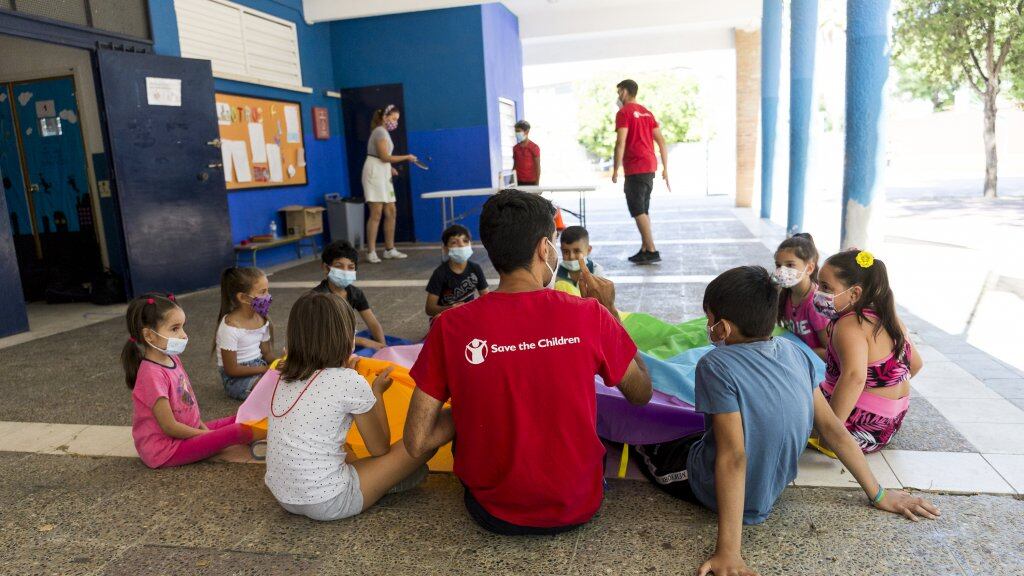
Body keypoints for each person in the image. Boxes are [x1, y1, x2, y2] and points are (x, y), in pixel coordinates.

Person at [632, 266, 939, 576]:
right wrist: (880, 494)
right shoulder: (797, 353)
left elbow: (733, 457)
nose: (708, 328)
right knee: (700, 432)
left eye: (710, 321)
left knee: (643, 436)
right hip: (773, 488)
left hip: (714, 487)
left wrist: (729, 551)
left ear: (723, 328)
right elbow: (834, 429)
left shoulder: (714, 365)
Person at [403, 189, 653, 535]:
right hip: (579, 502)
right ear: (543, 248)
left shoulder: (450, 326)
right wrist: (610, 311)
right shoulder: (589, 315)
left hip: (492, 512)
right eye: (554, 241)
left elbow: (417, 440)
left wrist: (474, 406)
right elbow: (641, 392)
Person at [264, 292, 436, 521]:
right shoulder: (347, 380)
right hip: (330, 501)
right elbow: (379, 449)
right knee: (425, 437)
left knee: (336, 446)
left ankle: (384, 482)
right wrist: (376, 393)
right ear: (346, 337)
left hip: (284, 496)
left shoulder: (284, 375)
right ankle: (384, 485)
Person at [122, 293, 257, 468]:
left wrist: (206, 431)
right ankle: (270, 435)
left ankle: (264, 431)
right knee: (236, 431)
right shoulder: (151, 374)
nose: (184, 335)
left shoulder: (172, 358)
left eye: (182, 327)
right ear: (149, 335)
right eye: (174, 328)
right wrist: (209, 437)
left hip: (186, 432)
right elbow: (169, 427)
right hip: (165, 449)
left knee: (241, 417)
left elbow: (188, 405)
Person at [815, 249, 922, 453]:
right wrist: (881, 392)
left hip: (856, 428)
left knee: (792, 393)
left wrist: (830, 434)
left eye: (826, 287)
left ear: (855, 293)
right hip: (887, 426)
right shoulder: (889, 318)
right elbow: (915, 365)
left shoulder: (848, 326)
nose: (818, 291)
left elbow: (854, 378)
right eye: (819, 284)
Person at [612, 79, 670, 265]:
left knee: (638, 210)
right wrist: (665, 168)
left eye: (619, 91)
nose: (618, 96)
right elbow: (661, 141)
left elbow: (620, 142)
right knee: (643, 209)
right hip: (649, 167)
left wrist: (615, 169)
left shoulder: (624, 113)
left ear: (626, 92)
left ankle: (651, 249)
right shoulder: (647, 113)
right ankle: (645, 249)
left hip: (635, 168)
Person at [362, 104, 417, 263]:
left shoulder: (384, 132)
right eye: (393, 118)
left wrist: (390, 168)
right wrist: (406, 157)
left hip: (383, 172)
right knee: (376, 213)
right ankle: (371, 252)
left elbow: (384, 159)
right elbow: (383, 156)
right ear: (385, 117)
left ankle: (389, 249)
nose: (395, 122)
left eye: (397, 119)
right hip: (373, 173)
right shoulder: (379, 131)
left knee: (391, 211)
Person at [215, 267, 278, 400]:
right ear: (243, 297)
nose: (268, 296)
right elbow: (231, 369)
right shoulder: (230, 327)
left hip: (260, 368)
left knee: (289, 381)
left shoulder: (262, 318)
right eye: (263, 292)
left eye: (268, 290)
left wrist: (279, 363)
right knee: (272, 392)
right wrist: (266, 369)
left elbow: (266, 353)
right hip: (236, 379)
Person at [313, 240, 388, 354]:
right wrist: (363, 341)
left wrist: (383, 349)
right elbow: (322, 336)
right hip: (324, 346)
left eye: (350, 267)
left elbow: (373, 323)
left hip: (348, 342)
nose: (345, 271)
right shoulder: (317, 298)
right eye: (339, 266)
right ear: (326, 268)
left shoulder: (355, 293)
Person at [773, 233, 829, 359]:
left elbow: (830, 352)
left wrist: (797, 353)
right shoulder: (785, 294)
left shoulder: (818, 303)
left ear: (809, 268)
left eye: (790, 265)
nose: (782, 270)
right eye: (778, 265)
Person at [425, 224, 489, 318]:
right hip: (447, 315)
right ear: (446, 248)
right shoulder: (440, 273)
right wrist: (450, 308)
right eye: (454, 242)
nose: (461, 245)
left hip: (468, 314)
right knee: (439, 318)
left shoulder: (475, 268)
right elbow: (429, 309)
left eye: (465, 241)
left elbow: (486, 297)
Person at [554, 225, 606, 297]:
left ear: (588, 250)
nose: (571, 256)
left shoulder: (596, 271)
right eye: (566, 252)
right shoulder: (556, 273)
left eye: (577, 251)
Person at [512, 120, 540, 186]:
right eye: (515, 131)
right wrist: (512, 180)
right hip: (518, 181)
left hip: (531, 182)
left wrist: (537, 185)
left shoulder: (534, 147)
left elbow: (537, 167)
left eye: (518, 131)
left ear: (526, 131)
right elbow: (514, 165)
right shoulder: (515, 148)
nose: (516, 133)